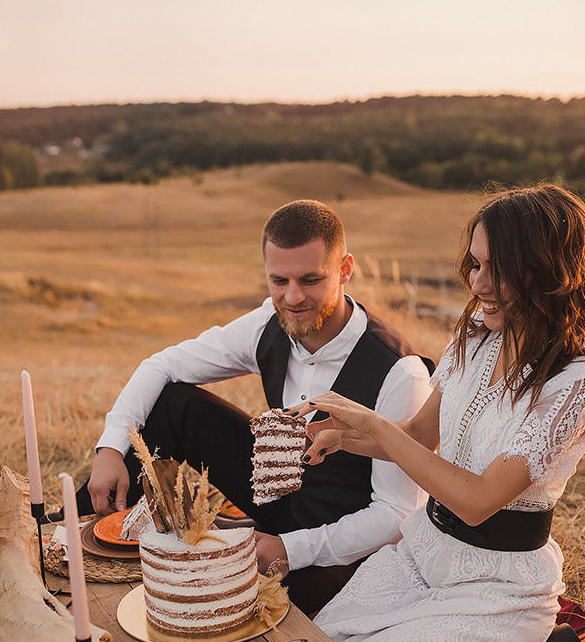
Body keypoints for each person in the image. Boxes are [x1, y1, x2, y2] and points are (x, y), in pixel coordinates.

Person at [291, 184, 585, 642]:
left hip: (497, 586)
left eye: (496, 269)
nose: (476, 283)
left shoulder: (578, 379)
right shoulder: (476, 332)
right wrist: (346, 435)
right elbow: (418, 434)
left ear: (547, 271)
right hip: (423, 551)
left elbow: (479, 499)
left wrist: (370, 420)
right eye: (474, 263)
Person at [85, 199, 433, 613]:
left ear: (344, 270)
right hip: (272, 493)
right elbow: (162, 364)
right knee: (169, 403)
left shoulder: (400, 372)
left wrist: (290, 549)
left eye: (310, 279)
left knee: (247, 608)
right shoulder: (271, 320)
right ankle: (78, 543)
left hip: (340, 540)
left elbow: (396, 515)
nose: (292, 296)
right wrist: (110, 449)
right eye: (278, 280)